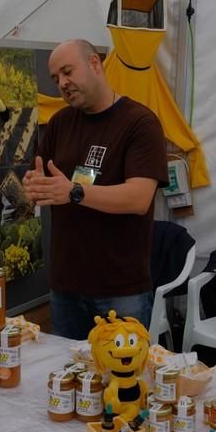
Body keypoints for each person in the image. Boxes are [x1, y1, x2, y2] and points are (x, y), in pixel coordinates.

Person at [22, 39, 168, 340]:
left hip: (120, 290)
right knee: (70, 378)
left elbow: (139, 198)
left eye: (67, 71)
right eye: (55, 78)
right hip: (65, 288)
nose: (62, 83)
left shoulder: (140, 123)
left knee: (123, 380)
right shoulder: (60, 123)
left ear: (94, 64)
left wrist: (74, 192)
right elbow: (44, 181)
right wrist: (33, 187)